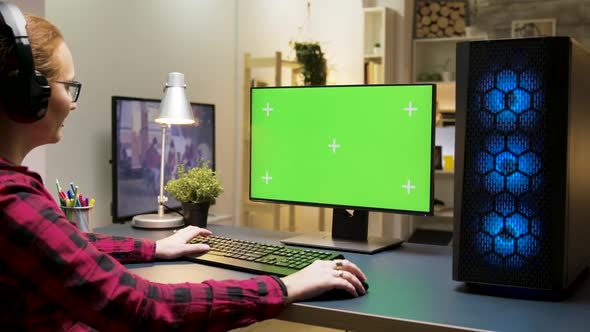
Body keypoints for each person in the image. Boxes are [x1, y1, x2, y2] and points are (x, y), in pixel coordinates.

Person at [0, 7, 367, 332]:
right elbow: (145, 308)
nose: (74, 103)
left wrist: (156, 250)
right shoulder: (10, 199)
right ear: (28, 92)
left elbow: (72, 246)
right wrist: (286, 286)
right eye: (70, 86)